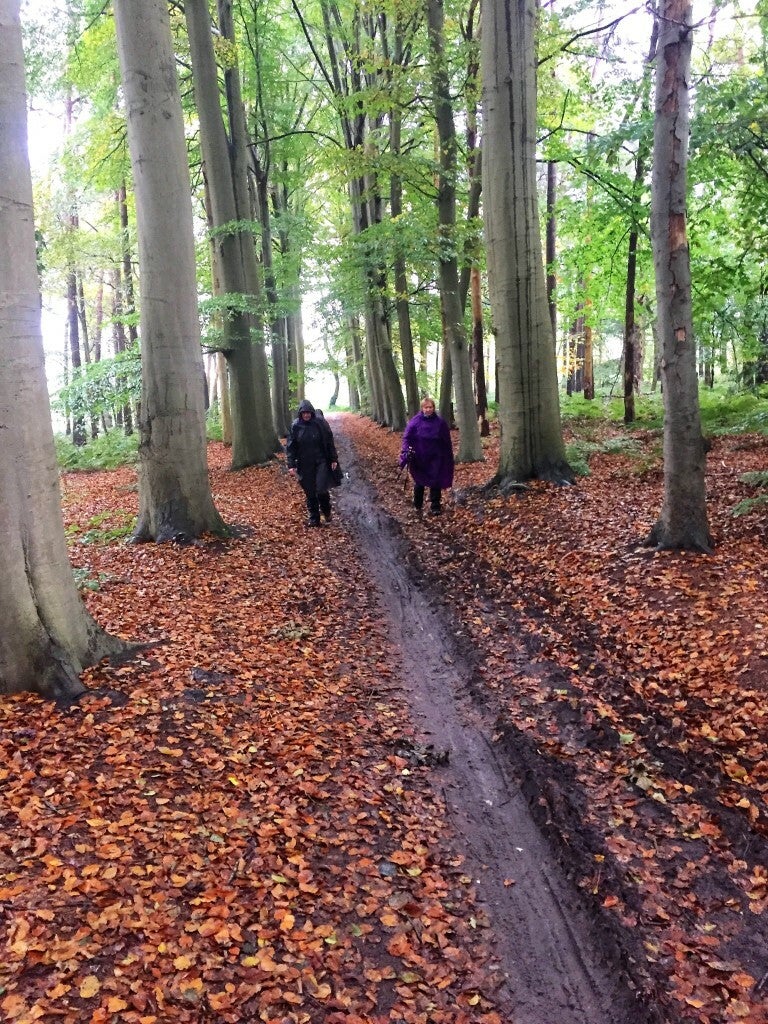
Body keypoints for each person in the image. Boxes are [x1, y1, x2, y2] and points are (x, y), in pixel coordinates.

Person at [286, 399, 339, 527]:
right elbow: (291, 446)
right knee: (310, 491)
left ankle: (326, 510)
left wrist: (333, 458)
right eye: (304, 413)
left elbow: (329, 441)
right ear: (300, 414)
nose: (306, 415)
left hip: (321, 461)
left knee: (321, 488)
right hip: (304, 463)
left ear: (312, 412)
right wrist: (291, 464)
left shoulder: (319, 424)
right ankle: (314, 518)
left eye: (308, 412)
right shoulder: (295, 426)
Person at [399, 397, 454, 515]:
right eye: (426, 407)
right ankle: (417, 504)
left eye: (430, 407)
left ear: (434, 408)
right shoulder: (415, 421)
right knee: (419, 481)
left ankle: (435, 506)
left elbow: (446, 441)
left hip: (435, 457)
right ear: (422, 408)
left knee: (435, 481)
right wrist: (406, 451)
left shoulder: (440, 423)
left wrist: (446, 457)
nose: (428, 409)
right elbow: (407, 437)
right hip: (419, 457)